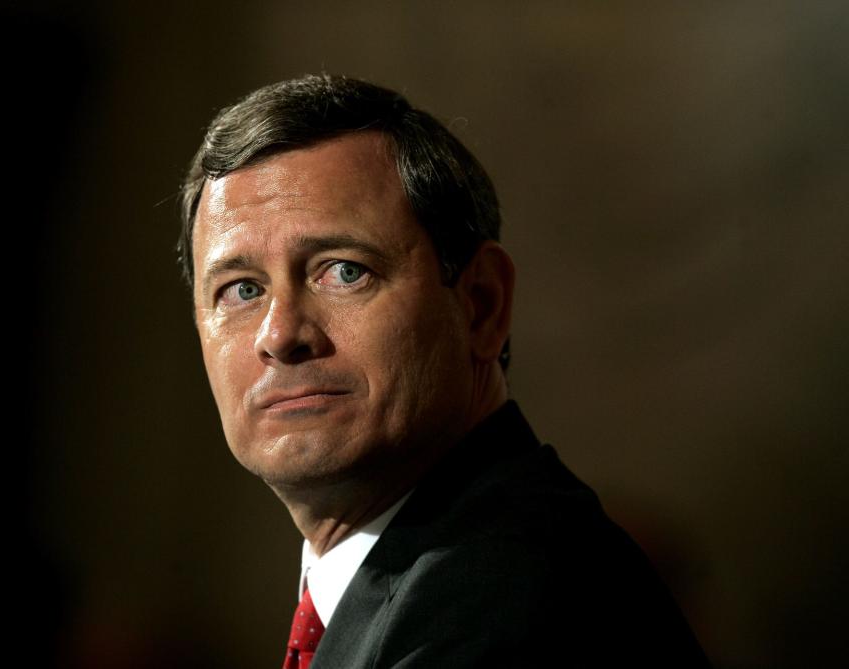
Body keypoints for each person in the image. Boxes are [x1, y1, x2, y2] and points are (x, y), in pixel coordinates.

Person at [178, 74, 710, 668]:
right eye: (241, 289)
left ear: (482, 303)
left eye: (344, 271)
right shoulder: (431, 582)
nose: (279, 335)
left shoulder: (505, 616)